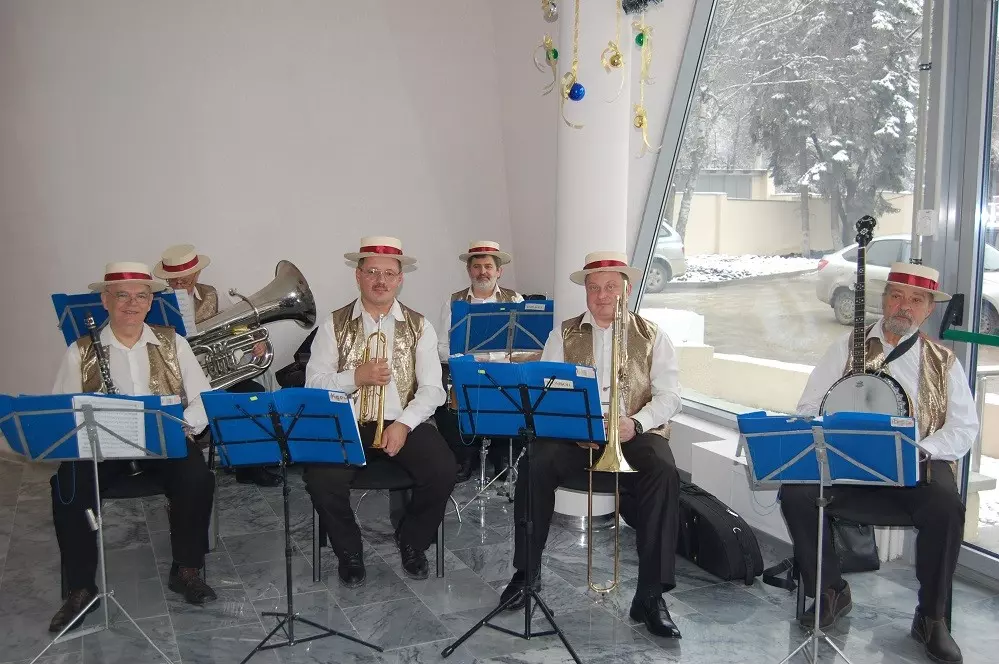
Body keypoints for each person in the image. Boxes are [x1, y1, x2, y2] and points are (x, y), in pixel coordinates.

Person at [782, 262, 978, 664]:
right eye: (897, 295)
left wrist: (920, 449)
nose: (904, 306)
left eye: (916, 300)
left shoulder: (944, 361)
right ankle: (830, 589)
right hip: (849, 464)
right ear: (884, 299)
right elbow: (807, 405)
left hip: (915, 467)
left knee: (946, 506)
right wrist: (832, 431)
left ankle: (932, 617)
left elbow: (964, 428)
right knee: (796, 493)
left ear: (929, 310)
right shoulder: (846, 347)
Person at [498, 250, 684, 639]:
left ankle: (651, 595)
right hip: (575, 436)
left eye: (611, 287)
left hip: (631, 433)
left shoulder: (653, 335)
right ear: (585, 291)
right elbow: (545, 389)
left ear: (626, 290)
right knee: (535, 461)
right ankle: (526, 574)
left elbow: (670, 397)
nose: (602, 296)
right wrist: (571, 424)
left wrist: (636, 423)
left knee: (663, 469)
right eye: (594, 287)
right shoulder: (563, 334)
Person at [49, 262, 218, 633]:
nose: (132, 303)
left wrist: (183, 426)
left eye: (141, 296)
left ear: (150, 301)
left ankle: (186, 569)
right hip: (103, 448)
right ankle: (81, 588)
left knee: (196, 477)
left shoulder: (173, 343)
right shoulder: (80, 351)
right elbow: (62, 411)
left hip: (163, 441)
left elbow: (203, 398)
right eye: (122, 295)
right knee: (67, 487)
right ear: (105, 300)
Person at [304, 236, 457, 586]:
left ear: (400, 279)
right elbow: (313, 384)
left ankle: (413, 541)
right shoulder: (333, 324)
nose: (380, 280)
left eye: (389, 273)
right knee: (320, 478)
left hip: (403, 420)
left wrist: (404, 423)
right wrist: (353, 378)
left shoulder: (420, 326)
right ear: (358, 275)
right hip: (346, 420)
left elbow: (433, 389)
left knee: (443, 469)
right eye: (372, 271)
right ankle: (349, 551)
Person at [153, 244, 280, 487]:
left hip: (212, 373)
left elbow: (237, 326)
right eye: (174, 281)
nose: (179, 285)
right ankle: (182, 469)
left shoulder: (212, 295)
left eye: (184, 280)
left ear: (196, 274)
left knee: (252, 393)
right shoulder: (156, 303)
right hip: (176, 379)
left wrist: (254, 341)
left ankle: (250, 466)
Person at [435, 241, 524, 482]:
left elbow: (523, 347)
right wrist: (465, 360)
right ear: (469, 270)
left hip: (502, 371)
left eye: (488, 266)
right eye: (476, 266)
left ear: (499, 271)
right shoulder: (453, 302)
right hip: (468, 371)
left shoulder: (515, 300)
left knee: (518, 389)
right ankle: (464, 456)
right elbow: (441, 347)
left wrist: (495, 359)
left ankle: (503, 455)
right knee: (444, 394)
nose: (482, 272)